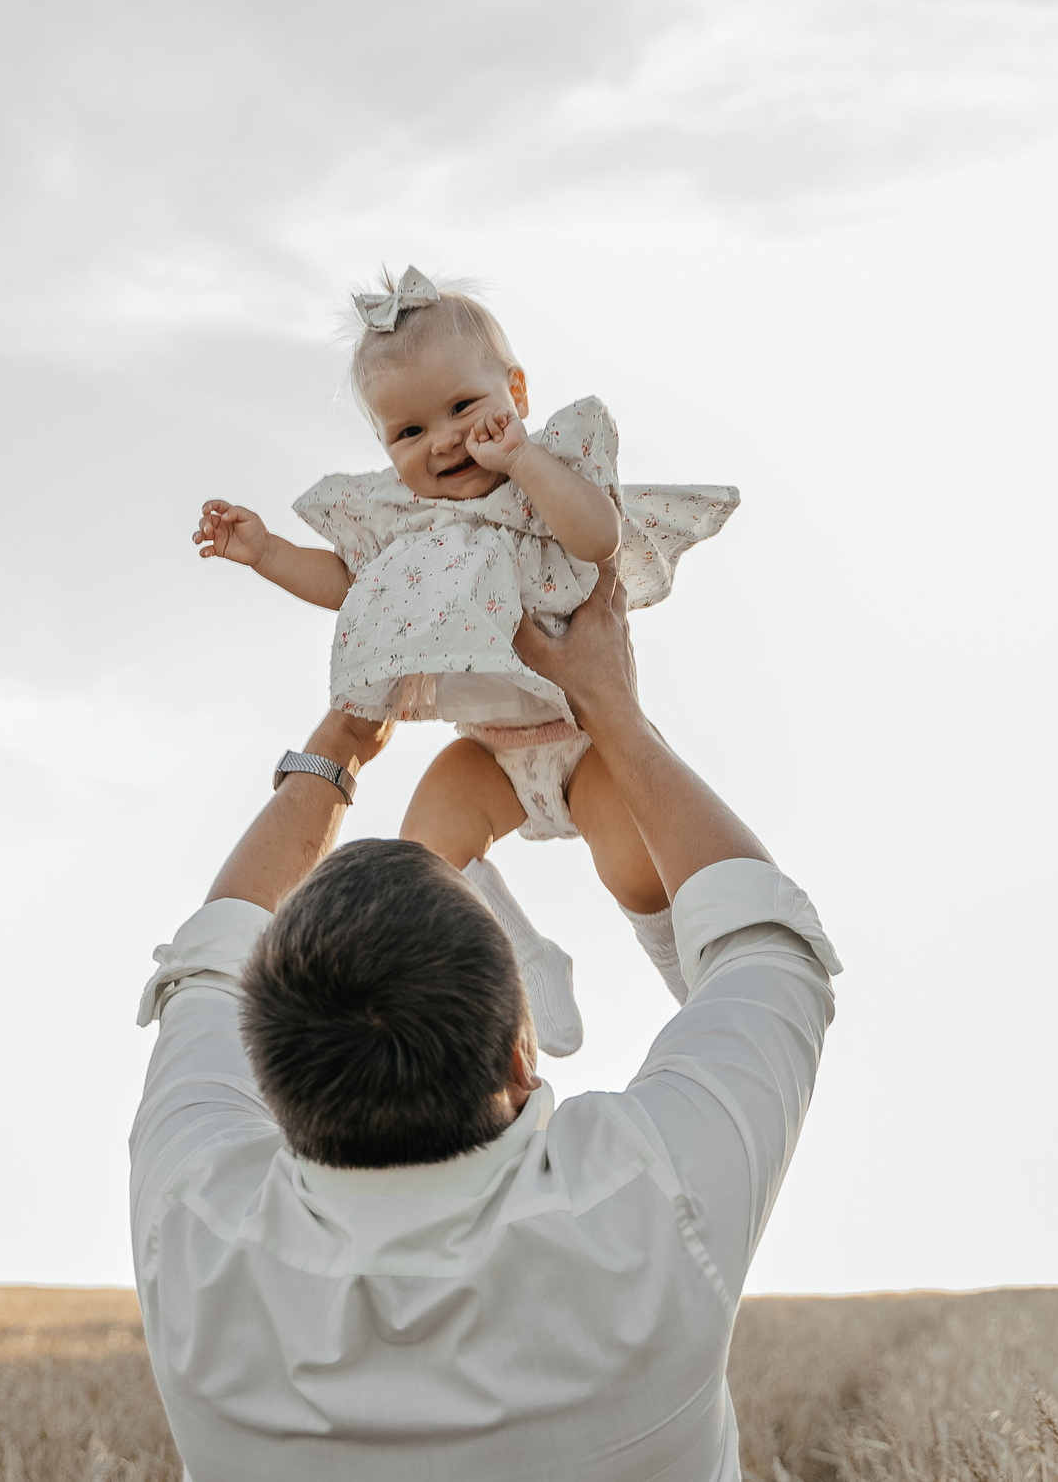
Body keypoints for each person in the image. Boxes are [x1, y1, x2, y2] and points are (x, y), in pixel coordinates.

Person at [130, 558, 843, 1481]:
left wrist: (342, 735)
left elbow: (207, 961)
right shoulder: (651, 1203)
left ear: (266, 1079)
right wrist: (612, 707)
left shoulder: (194, 1235)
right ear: (520, 1053)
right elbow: (769, 946)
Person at [191, 267, 740, 1055]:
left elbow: (598, 538)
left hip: (586, 738)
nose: (443, 439)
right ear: (386, 448)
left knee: (633, 867)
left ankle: (696, 986)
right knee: (421, 857)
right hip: (486, 750)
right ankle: (525, 954)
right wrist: (268, 552)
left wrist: (523, 460)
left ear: (515, 391)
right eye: (409, 432)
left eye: (462, 407)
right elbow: (353, 587)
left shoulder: (543, 479)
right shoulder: (404, 521)